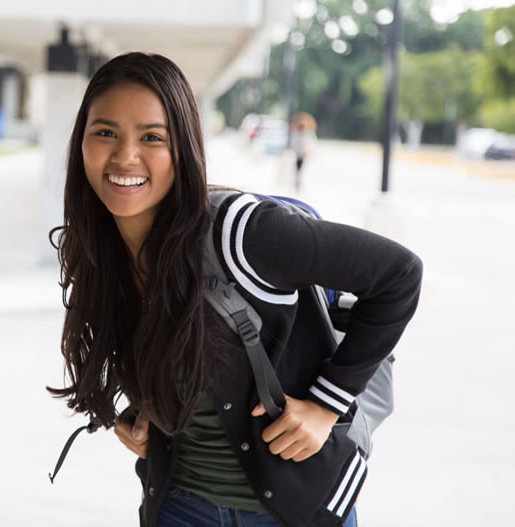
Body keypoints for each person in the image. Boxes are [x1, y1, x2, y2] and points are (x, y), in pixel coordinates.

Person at [48, 52, 422, 527]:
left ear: (182, 147)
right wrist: (147, 412)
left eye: (152, 137)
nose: (125, 156)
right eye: (105, 133)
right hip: (181, 506)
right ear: (80, 142)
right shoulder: (100, 247)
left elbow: (399, 274)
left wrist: (328, 403)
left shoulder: (239, 232)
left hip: (293, 510)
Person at [289, 112, 317, 192]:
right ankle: (298, 183)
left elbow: (311, 144)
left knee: (301, 170)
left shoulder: (307, 133)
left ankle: (299, 184)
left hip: (303, 155)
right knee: (299, 170)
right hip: (299, 154)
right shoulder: (298, 133)